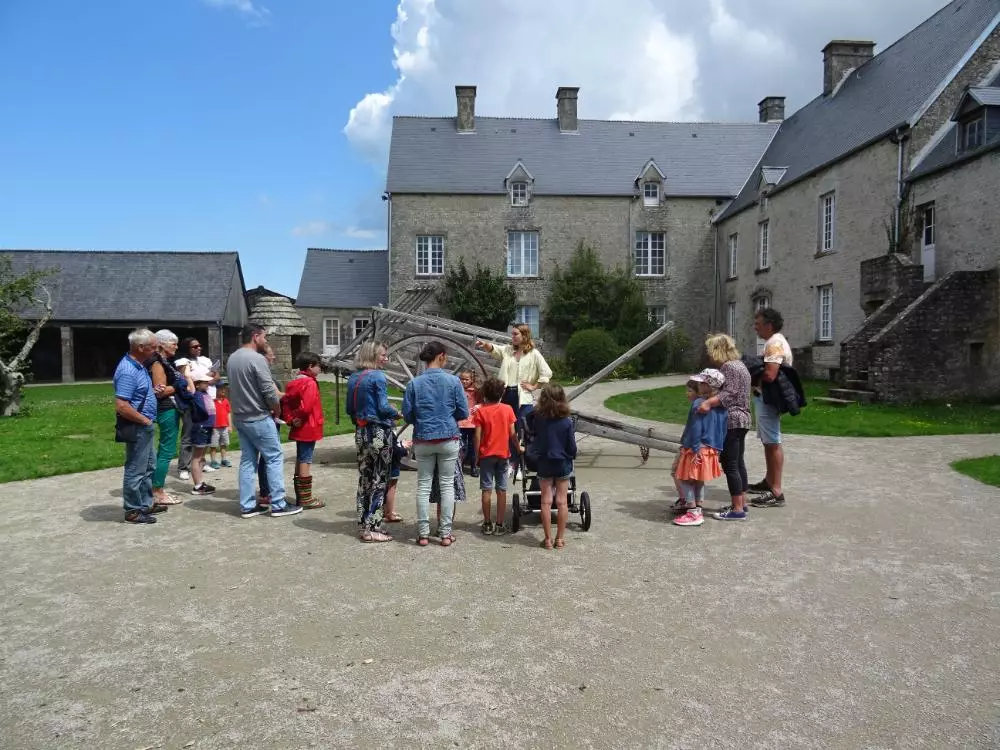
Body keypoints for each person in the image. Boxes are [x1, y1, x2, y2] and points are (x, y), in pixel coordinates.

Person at [228, 324, 301, 518]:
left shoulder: (233, 358)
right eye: (264, 337)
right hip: (258, 416)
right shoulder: (257, 359)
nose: (265, 340)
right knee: (274, 457)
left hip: (240, 417)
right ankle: (278, 504)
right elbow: (269, 390)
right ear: (255, 336)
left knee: (247, 460)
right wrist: (277, 409)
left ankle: (247, 505)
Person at [402, 341, 468, 547]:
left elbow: (408, 415)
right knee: (447, 486)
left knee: (423, 486)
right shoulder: (453, 381)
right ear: (442, 356)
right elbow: (463, 412)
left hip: (423, 438)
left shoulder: (414, 384)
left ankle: (423, 533)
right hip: (448, 437)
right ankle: (445, 533)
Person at [475, 324, 552, 477]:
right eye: (512, 334)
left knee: (523, 430)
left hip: (523, 396)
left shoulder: (534, 354)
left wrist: (534, 386)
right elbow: (496, 350)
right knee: (507, 429)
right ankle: (511, 462)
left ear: (524, 335)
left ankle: (523, 465)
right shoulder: (508, 350)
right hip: (506, 394)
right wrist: (485, 345)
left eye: (516, 334)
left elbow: (547, 372)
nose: (513, 337)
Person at [346, 340, 401, 542]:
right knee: (380, 479)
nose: (386, 358)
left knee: (365, 479)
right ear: (372, 355)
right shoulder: (377, 376)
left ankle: (364, 525)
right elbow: (383, 407)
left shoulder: (354, 377)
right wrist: (396, 412)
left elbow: (349, 409)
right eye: (383, 355)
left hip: (361, 432)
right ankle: (374, 527)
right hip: (379, 433)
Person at [697, 334, 753, 521]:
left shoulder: (729, 367)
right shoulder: (740, 365)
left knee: (730, 465)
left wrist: (708, 402)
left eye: (710, 351)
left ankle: (737, 510)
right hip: (743, 419)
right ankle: (741, 503)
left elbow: (729, 393)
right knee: (738, 462)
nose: (709, 355)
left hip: (733, 420)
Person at [113, 329, 161, 524]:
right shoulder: (128, 370)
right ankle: (133, 510)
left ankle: (145, 504)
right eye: (153, 346)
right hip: (138, 426)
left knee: (149, 466)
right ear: (140, 347)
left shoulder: (140, 365)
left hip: (145, 424)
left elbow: (137, 394)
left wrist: (152, 392)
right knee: (136, 468)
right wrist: (144, 420)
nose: (156, 350)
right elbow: (122, 406)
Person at [673, 369, 728, 528]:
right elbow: (723, 430)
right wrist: (718, 448)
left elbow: (695, 427)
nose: (698, 384)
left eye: (701, 382)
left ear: (707, 385)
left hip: (696, 448)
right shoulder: (722, 406)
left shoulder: (699, 403)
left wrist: (694, 448)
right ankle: (698, 508)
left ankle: (692, 512)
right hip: (711, 448)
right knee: (698, 480)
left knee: (683, 478)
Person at [750, 308, 791, 509]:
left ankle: (776, 491)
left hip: (768, 399)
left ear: (769, 325)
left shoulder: (774, 344)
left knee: (773, 442)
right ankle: (769, 481)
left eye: (758, 324)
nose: (755, 327)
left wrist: (750, 373)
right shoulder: (773, 341)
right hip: (764, 398)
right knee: (768, 442)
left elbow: (770, 374)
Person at [527, 383, 577, 549]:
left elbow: (529, 420)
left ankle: (547, 539)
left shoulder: (539, 420)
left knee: (545, 501)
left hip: (545, 462)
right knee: (562, 502)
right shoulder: (567, 422)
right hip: (562, 462)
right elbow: (571, 446)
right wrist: (572, 455)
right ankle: (559, 539)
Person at [472, 376, 517, 536]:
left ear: (485, 393)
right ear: (502, 393)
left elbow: (477, 436)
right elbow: (512, 434)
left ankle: (487, 523)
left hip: (486, 455)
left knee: (486, 489)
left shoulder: (480, 411)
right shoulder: (508, 409)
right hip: (503, 454)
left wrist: (476, 455)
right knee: (501, 489)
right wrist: (518, 447)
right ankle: (499, 523)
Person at [146, 329, 186, 506]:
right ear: (162, 345)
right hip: (166, 409)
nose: (176, 347)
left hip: (170, 408)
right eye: (173, 343)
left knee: (166, 448)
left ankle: (156, 487)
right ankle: (157, 490)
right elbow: (160, 391)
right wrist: (178, 385)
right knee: (167, 449)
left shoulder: (165, 361)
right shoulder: (157, 363)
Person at [282, 351, 325, 509]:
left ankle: (301, 496)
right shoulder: (310, 383)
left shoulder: (293, 382)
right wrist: (298, 416)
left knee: (300, 458)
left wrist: (291, 419)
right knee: (306, 459)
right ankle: (306, 498)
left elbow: (285, 403)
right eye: (318, 366)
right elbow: (307, 407)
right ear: (310, 366)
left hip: (299, 426)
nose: (320, 369)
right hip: (309, 426)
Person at [669, 380, 701, 513]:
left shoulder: (697, 405)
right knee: (695, 477)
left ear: (699, 392)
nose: (686, 393)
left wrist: (687, 446)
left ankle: (686, 501)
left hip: (689, 446)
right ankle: (695, 503)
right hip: (694, 445)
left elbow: (695, 429)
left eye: (690, 391)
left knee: (677, 472)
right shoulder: (702, 404)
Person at [189, 374, 217, 496]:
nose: (207, 384)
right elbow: (189, 379)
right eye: (204, 382)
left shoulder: (206, 394)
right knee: (197, 457)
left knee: (202, 457)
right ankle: (197, 485)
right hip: (201, 427)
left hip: (208, 427)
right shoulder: (196, 394)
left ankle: (201, 482)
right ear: (197, 384)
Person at [457, 369, 481, 476]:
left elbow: (482, 402)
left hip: (472, 423)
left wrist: (478, 406)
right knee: (461, 445)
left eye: (466, 379)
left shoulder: (476, 391)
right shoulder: (458, 389)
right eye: (462, 379)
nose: (464, 381)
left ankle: (473, 467)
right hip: (461, 422)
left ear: (471, 380)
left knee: (473, 446)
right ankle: (460, 466)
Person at [384, 437, 412, 524]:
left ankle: (385, 510)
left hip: (383, 462)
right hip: (392, 463)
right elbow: (395, 449)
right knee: (391, 487)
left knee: (385, 486)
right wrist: (403, 448)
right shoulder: (389, 431)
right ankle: (389, 514)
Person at [208, 381, 232, 469]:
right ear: (215, 390)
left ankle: (224, 459)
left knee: (224, 444)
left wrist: (230, 425)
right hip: (215, 427)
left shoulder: (226, 401)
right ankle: (213, 461)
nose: (223, 391)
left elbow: (228, 413)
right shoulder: (212, 401)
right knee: (213, 445)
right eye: (221, 389)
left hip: (224, 427)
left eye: (224, 389)